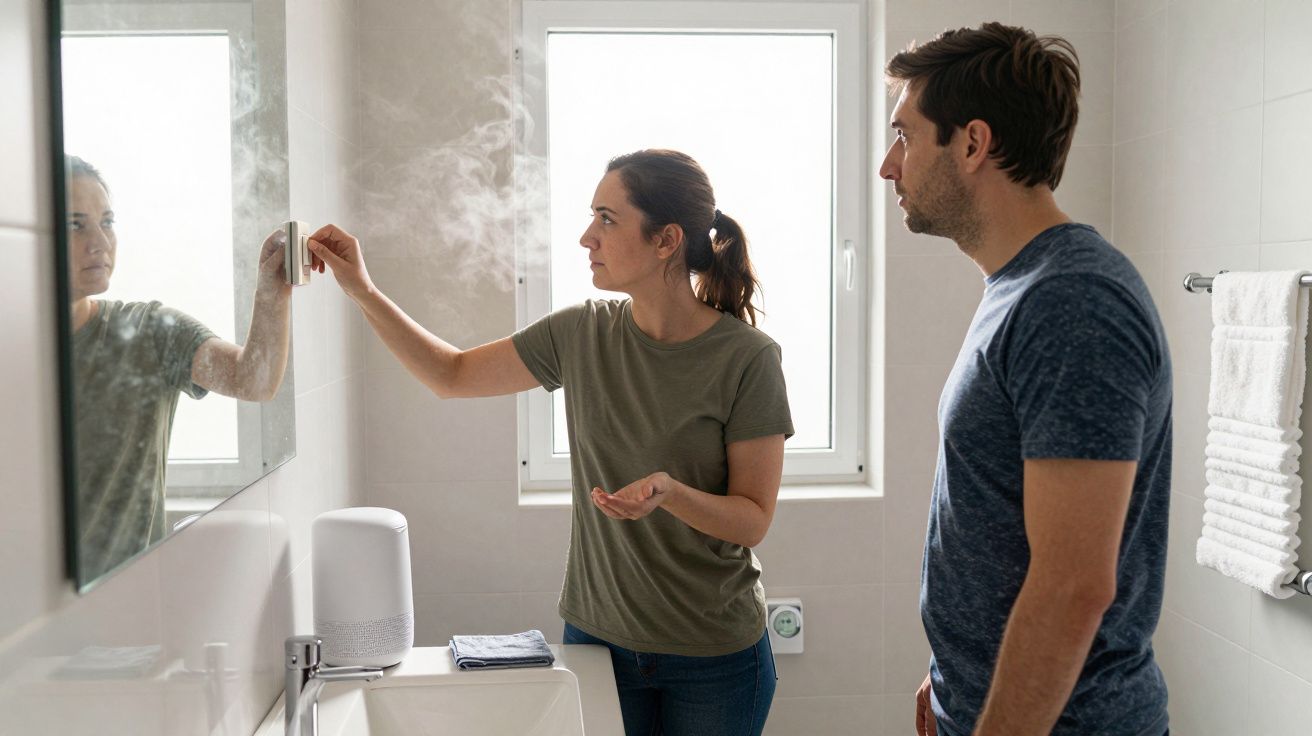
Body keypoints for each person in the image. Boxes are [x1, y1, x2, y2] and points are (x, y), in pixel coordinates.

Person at [308, 149, 793, 736]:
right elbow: (452, 375)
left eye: (607, 219)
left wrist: (671, 492)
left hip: (716, 657)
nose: (588, 236)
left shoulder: (748, 359)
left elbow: (751, 520)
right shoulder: (581, 332)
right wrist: (361, 288)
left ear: (665, 240)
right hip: (599, 642)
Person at [879, 24, 1172, 736]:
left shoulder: (1072, 302)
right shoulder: (1023, 287)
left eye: (906, 136)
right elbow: (1000, 517)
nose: (889, 166)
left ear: (973, 144)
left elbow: (1073, 587)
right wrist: (954, 673)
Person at [67, 156, 293, 581]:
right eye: (74, 225)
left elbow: (255, 380)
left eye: (108, 221)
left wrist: (271, 290)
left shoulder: (151, 331)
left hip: (127, 609)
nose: (100, 241)